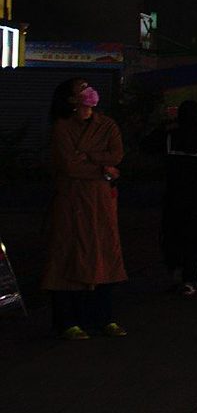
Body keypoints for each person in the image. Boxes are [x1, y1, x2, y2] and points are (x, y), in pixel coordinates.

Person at [43, 78, 128, 339]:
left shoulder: (107, 124)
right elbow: (69, 165)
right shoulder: (62, 127)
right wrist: (104, 170)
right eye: (82, 88)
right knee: (68, 256)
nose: (89, 91)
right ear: (71, 99)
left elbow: (117, 155)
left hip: (101, 204)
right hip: (72, 202)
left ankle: (103, 317)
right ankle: (68, 321)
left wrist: (88, 156)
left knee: (103, 255)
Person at [155, 100, 197, 296]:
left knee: (172, 234)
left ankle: (175, 271)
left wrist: (164, 126)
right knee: (195, 237)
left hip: (174, 193)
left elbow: (147, 144)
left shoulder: (170, 138)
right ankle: (189, 279)